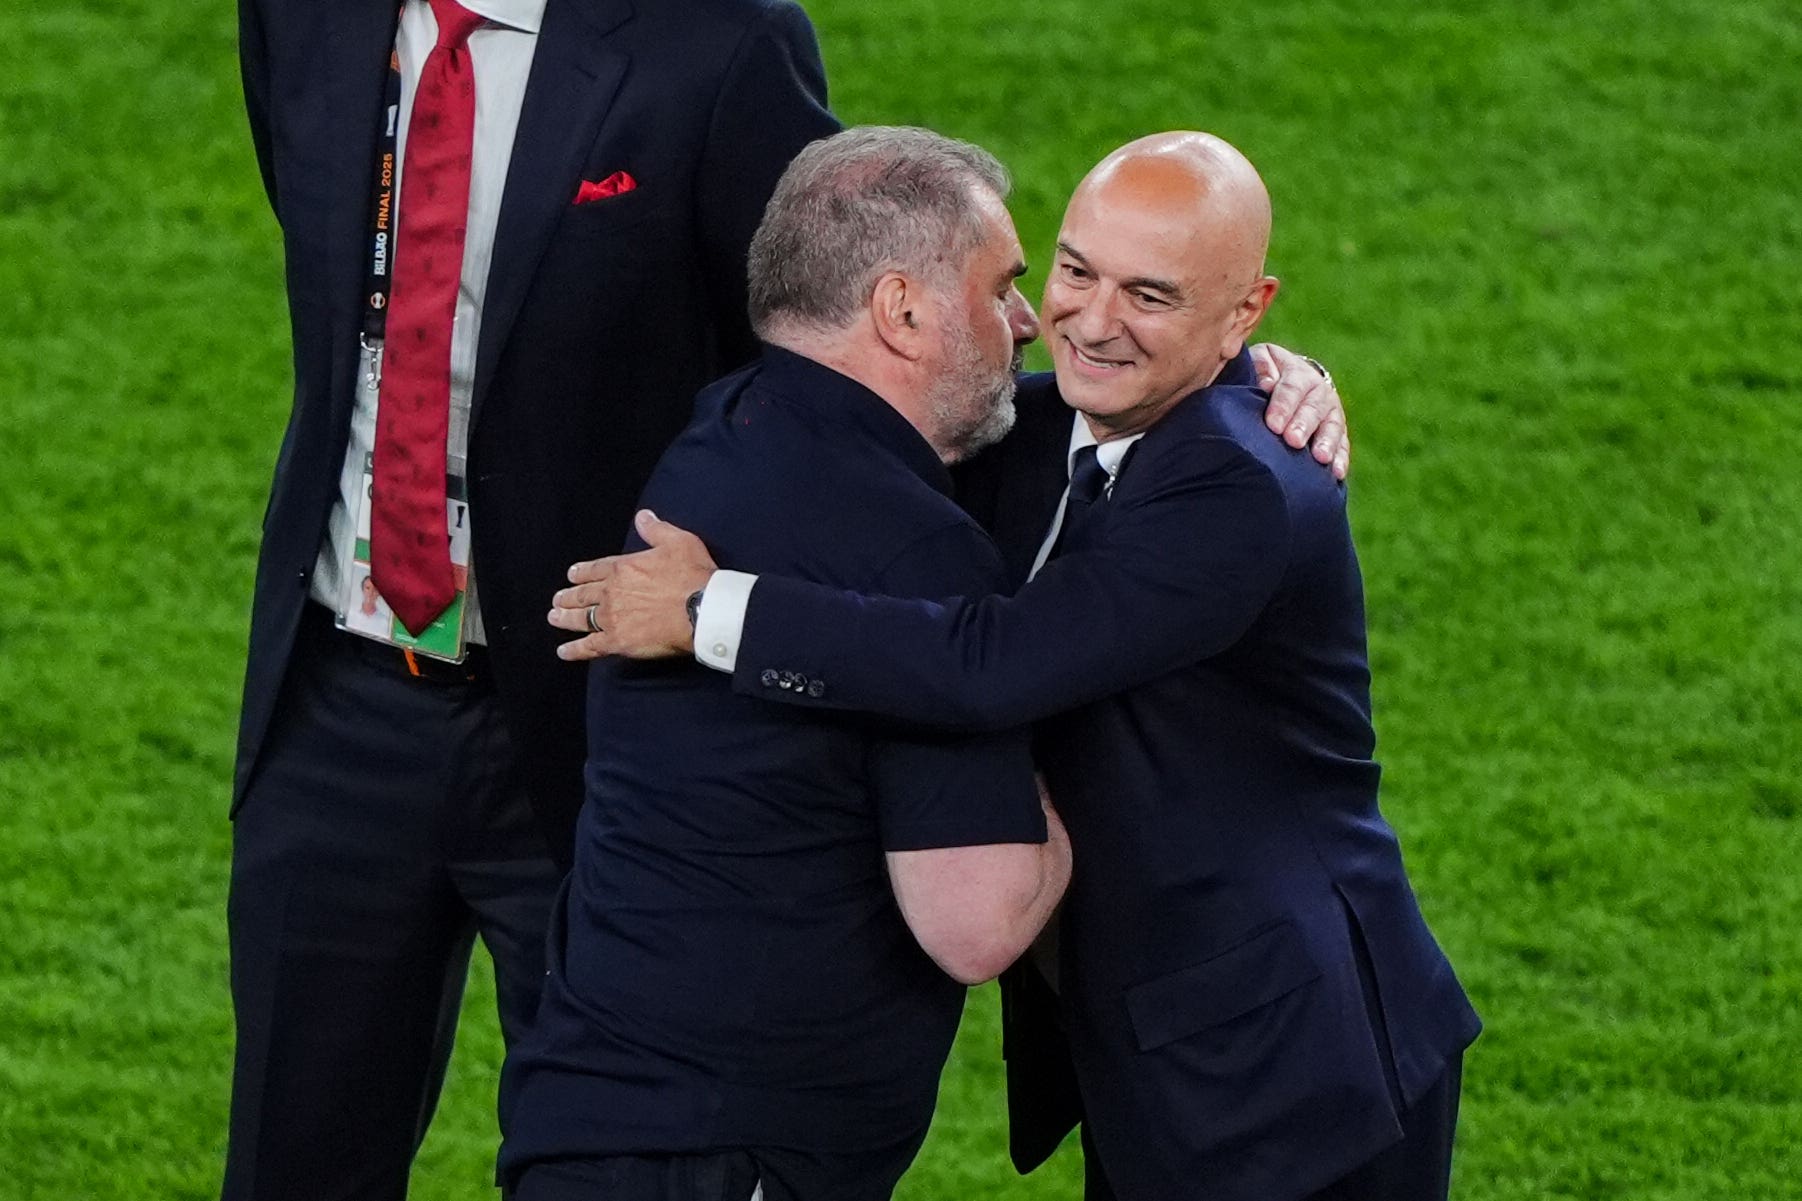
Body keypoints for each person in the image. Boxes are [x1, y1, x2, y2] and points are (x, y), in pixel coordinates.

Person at [552, 133, 1481, 1201]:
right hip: (1151, 1037)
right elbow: (858, 422)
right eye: (1075, 271)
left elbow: (989, 664)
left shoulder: (1243, 488)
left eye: (1150, 295)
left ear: (1244, 314)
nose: (1084, 321)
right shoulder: (1045, 427)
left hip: (1289, 1059)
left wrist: (707, 611)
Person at [224, 2, 837, 1197]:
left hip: (610, 724)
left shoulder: (721, 38)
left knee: (610, 1170)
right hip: (335, 707)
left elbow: (824, 357)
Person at [496, 126, 1071, 1201]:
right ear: (902, 311)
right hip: (733, 1154)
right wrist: (1079, 775)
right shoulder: (913, 548)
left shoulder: (723, 437)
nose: (1030, 321)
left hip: (591, 1110)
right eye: (1002, 287)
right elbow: (975, 920)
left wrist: (1252, 380)